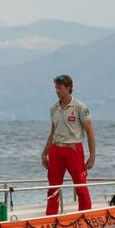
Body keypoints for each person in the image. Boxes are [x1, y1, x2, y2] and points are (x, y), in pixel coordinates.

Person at [41, 74, 96, 215]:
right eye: (55, 88)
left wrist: (92, 156)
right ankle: (51, 217)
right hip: (56, 149)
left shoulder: (79, 107)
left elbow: (90, 131)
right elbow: (52, 132)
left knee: (80, 186)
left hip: (73, 150)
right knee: (53, 187)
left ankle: (85, 215)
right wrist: (45, 152)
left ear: (68, 88)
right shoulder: (54, 108)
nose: (57, 91)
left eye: (59, 88)